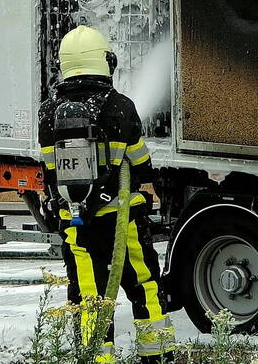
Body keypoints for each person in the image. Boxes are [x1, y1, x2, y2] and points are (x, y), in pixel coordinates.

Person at [38, 26, 175, 364]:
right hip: (121, 222)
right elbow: (140, 163)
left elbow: (49, 172)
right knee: (144, 286)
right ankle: (156, 356)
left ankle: (97, 358)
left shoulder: (46, 113)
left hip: (75, 224)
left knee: (87, 296)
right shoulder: (120, 107)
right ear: (105, 61)